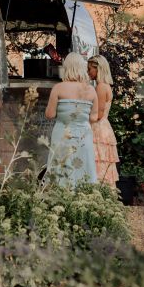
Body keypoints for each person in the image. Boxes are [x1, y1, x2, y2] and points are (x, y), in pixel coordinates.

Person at [44, 52, 98, 186]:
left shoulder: (58, 88)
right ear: (82, 67)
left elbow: (49, 115)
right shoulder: (91, 90)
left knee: (60, 168)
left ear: (66, 67)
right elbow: (94, 117)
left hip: (62, 134)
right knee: (84, 167)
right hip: (84, 136)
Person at [87, 54, 119, 187]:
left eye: (89, 69)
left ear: (98, 69)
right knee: (101, 163)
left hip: (98, 128)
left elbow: (98, 114)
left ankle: (99, 193)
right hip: (103, 127)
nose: (88, 72)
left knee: (97, 162)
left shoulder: (100, 87)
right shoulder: (106, 86)